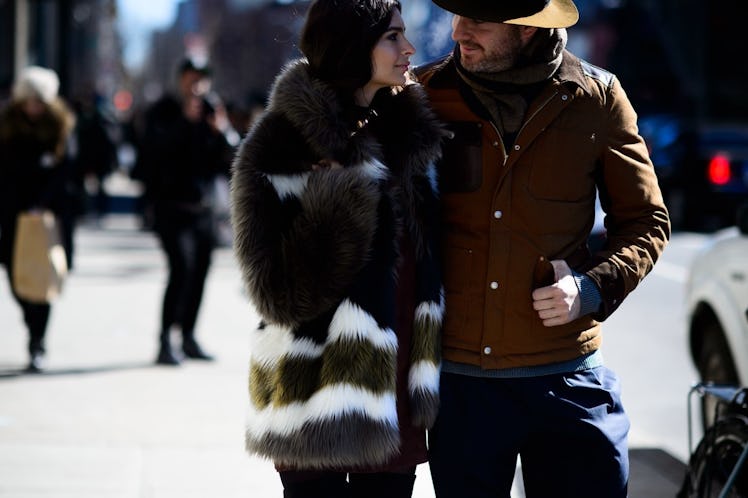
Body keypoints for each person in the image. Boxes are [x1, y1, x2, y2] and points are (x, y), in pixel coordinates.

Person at [414, 1, 671, 497]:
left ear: (528, 28)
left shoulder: (597, 98)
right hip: (463, 388)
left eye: (480, 20)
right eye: (458, 15)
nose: (459, 31)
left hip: (567, 379)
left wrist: (591, 289)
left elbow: (646, 221)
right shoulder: (425, 96)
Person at [229, 0, 444, 496]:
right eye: (392, 37)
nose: (409, 48)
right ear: (352, 47)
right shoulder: (282, 142)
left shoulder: (412, 138)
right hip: (312, 396)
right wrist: (337, 203)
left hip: (393, 395)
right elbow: (275, 296)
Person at [134, 58, 236, 365]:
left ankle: (189, 336)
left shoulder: (212, 112)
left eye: (202, 79)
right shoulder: (163, 111)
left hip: (203, 209)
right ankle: (165, 340)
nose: (197, 85)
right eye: (192, 78)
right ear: (181, 79)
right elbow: (152, 154)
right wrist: (182, 122)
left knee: (201, 272)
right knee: (181, 267)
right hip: (170, 207)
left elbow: (231, 160)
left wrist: (223, 131)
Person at [0, 66, 77, 373]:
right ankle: (31, 324)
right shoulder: (7, 127)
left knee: (44, 282)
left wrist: (44, 204)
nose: (33, 107)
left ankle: (38, 343)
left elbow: (67, 173)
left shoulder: (61, 127)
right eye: (28, 100)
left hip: (50, 218)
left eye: (38, 101)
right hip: (13, 217)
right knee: (17, 280)